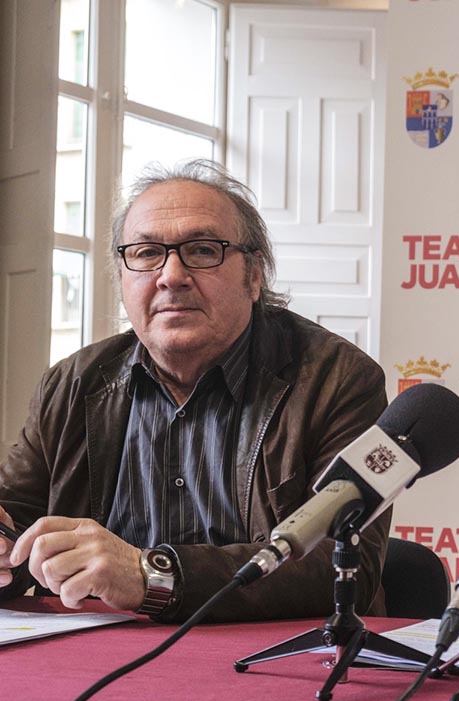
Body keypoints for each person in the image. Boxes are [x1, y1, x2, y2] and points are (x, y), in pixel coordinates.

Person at [0, 160, 390, 622]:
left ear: (255, 275)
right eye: (146, 253)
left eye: (203, 250)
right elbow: (18, 520)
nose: (171, 275)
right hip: (95, 657)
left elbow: (343, 561)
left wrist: (152, 576)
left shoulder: (337, 380)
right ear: (122, 278)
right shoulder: (70, 384)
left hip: (270, 662)